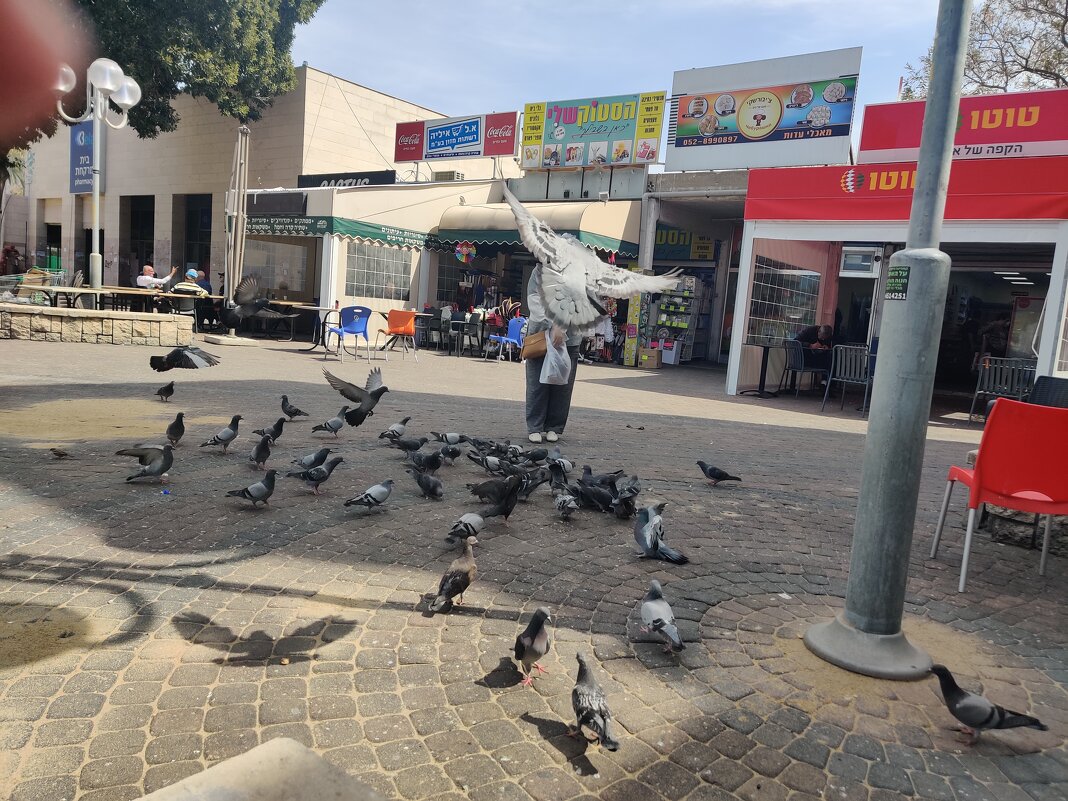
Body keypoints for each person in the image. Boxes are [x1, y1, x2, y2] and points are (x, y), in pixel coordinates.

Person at [524, 270, 581, 444]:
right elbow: (534, 299)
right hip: (540, 335)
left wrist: (561, 326)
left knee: (563, 385)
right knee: (536, 382)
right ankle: (535, 426)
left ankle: (554, 427)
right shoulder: (538, 272)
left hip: (570, 336)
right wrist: (553, 324)